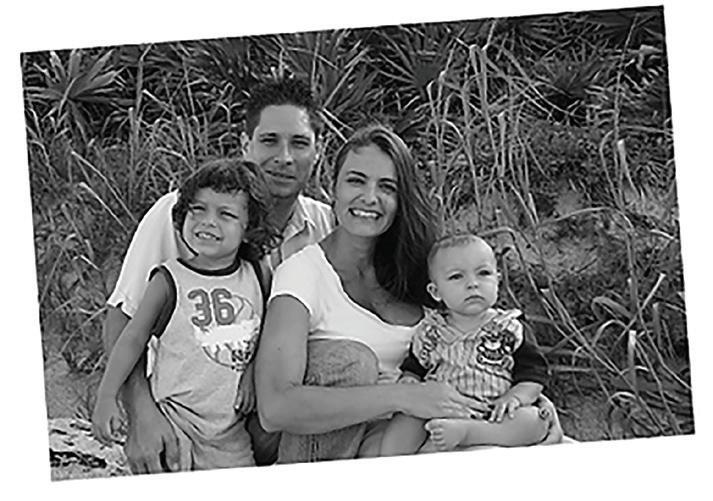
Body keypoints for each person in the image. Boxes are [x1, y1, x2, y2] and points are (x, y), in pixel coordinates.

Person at [102, 78, 334, 473]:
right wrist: (140, 415)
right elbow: (124, 318)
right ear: (246, 145)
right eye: (269, 141)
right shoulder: (181, 214)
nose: (284, 157)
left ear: (318, 149)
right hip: (185, 414)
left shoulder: (325, 226)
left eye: (299, 143)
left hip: (263, 409)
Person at [255, 124, 498, 463]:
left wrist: (521, 394)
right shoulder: (302, 274)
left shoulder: (423, 269)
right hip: (337, 455)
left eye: (387, 187)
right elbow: (275, 407)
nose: (370, 197)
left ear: (401, 200)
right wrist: (403, 397)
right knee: (352, 359)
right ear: (333, 188)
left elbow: (482, 330)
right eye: (356, 181)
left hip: (436, 434)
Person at [92, 159, 281, 470]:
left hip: (230, 433)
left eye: (226, 214)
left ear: (250, 228)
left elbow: (271, 332)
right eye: (198, 209)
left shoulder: (257, 275)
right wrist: (107, 396)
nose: (208, 222)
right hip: (175, 422)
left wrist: (253, 369)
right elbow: (132, 339)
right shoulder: (168, 281)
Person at [379, 233, 551, 456]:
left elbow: (534, 374)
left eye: (484, 273)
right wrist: (409, 382)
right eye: (456, 277)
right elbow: (415, 368)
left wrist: (515, 397)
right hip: (438, 409)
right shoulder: (429, 331)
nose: (473, 284)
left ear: (498, 280)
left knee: (534, 421)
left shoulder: (511, 327)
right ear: (436, 292)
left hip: (492, 412)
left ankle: (469, 433)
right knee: (404, 421)